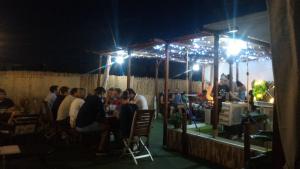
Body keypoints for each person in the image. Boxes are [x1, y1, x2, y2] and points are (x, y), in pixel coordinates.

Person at [76, 87, 109, 155]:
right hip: (84, 126)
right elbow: (102, 114)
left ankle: (93, 144)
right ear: (102, 93)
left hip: (78, 125)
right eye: (104, 94)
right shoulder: (98, 99)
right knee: (106, 128)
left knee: (97, 125)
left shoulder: (89, 98)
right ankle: (100, 149)